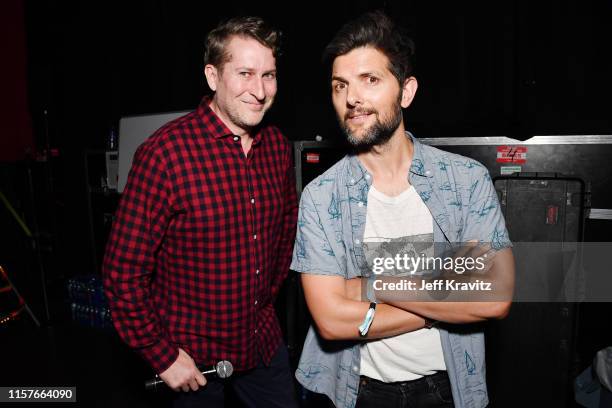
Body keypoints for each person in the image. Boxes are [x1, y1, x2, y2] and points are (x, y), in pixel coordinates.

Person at [290, 11, 515, 408]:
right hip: (359, 391)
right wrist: (443, 300)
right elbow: (330, 319)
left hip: (448, 388)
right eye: (340, 85)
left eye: (370, 80)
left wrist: (373, 281)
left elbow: (493, 295)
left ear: (406, 91)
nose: (352, 98)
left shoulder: (465, 180)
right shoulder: (322, 196)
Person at [103, 16, 298, 408]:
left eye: (269, 75)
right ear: (213, 76)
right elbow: (121, 273)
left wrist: (263, 307)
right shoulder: (165, 155)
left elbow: (283, 239)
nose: (259, 90)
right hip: (191, 359)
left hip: (261, 346)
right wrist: (162, 354)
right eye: (244, 73)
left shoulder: (276, 146)